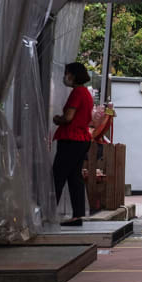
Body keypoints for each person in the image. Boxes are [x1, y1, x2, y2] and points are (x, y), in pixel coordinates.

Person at [52, 62, 93, 226]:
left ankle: (47, 214)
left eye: (67, 73)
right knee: (74, 178)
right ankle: (78, 216)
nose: (65, 76)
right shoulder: (86, 93)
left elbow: (68, 117)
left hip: (71, 139)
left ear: (74, 75)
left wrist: (57, 119)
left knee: (58, 176)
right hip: (82, 140)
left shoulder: (77, 93)